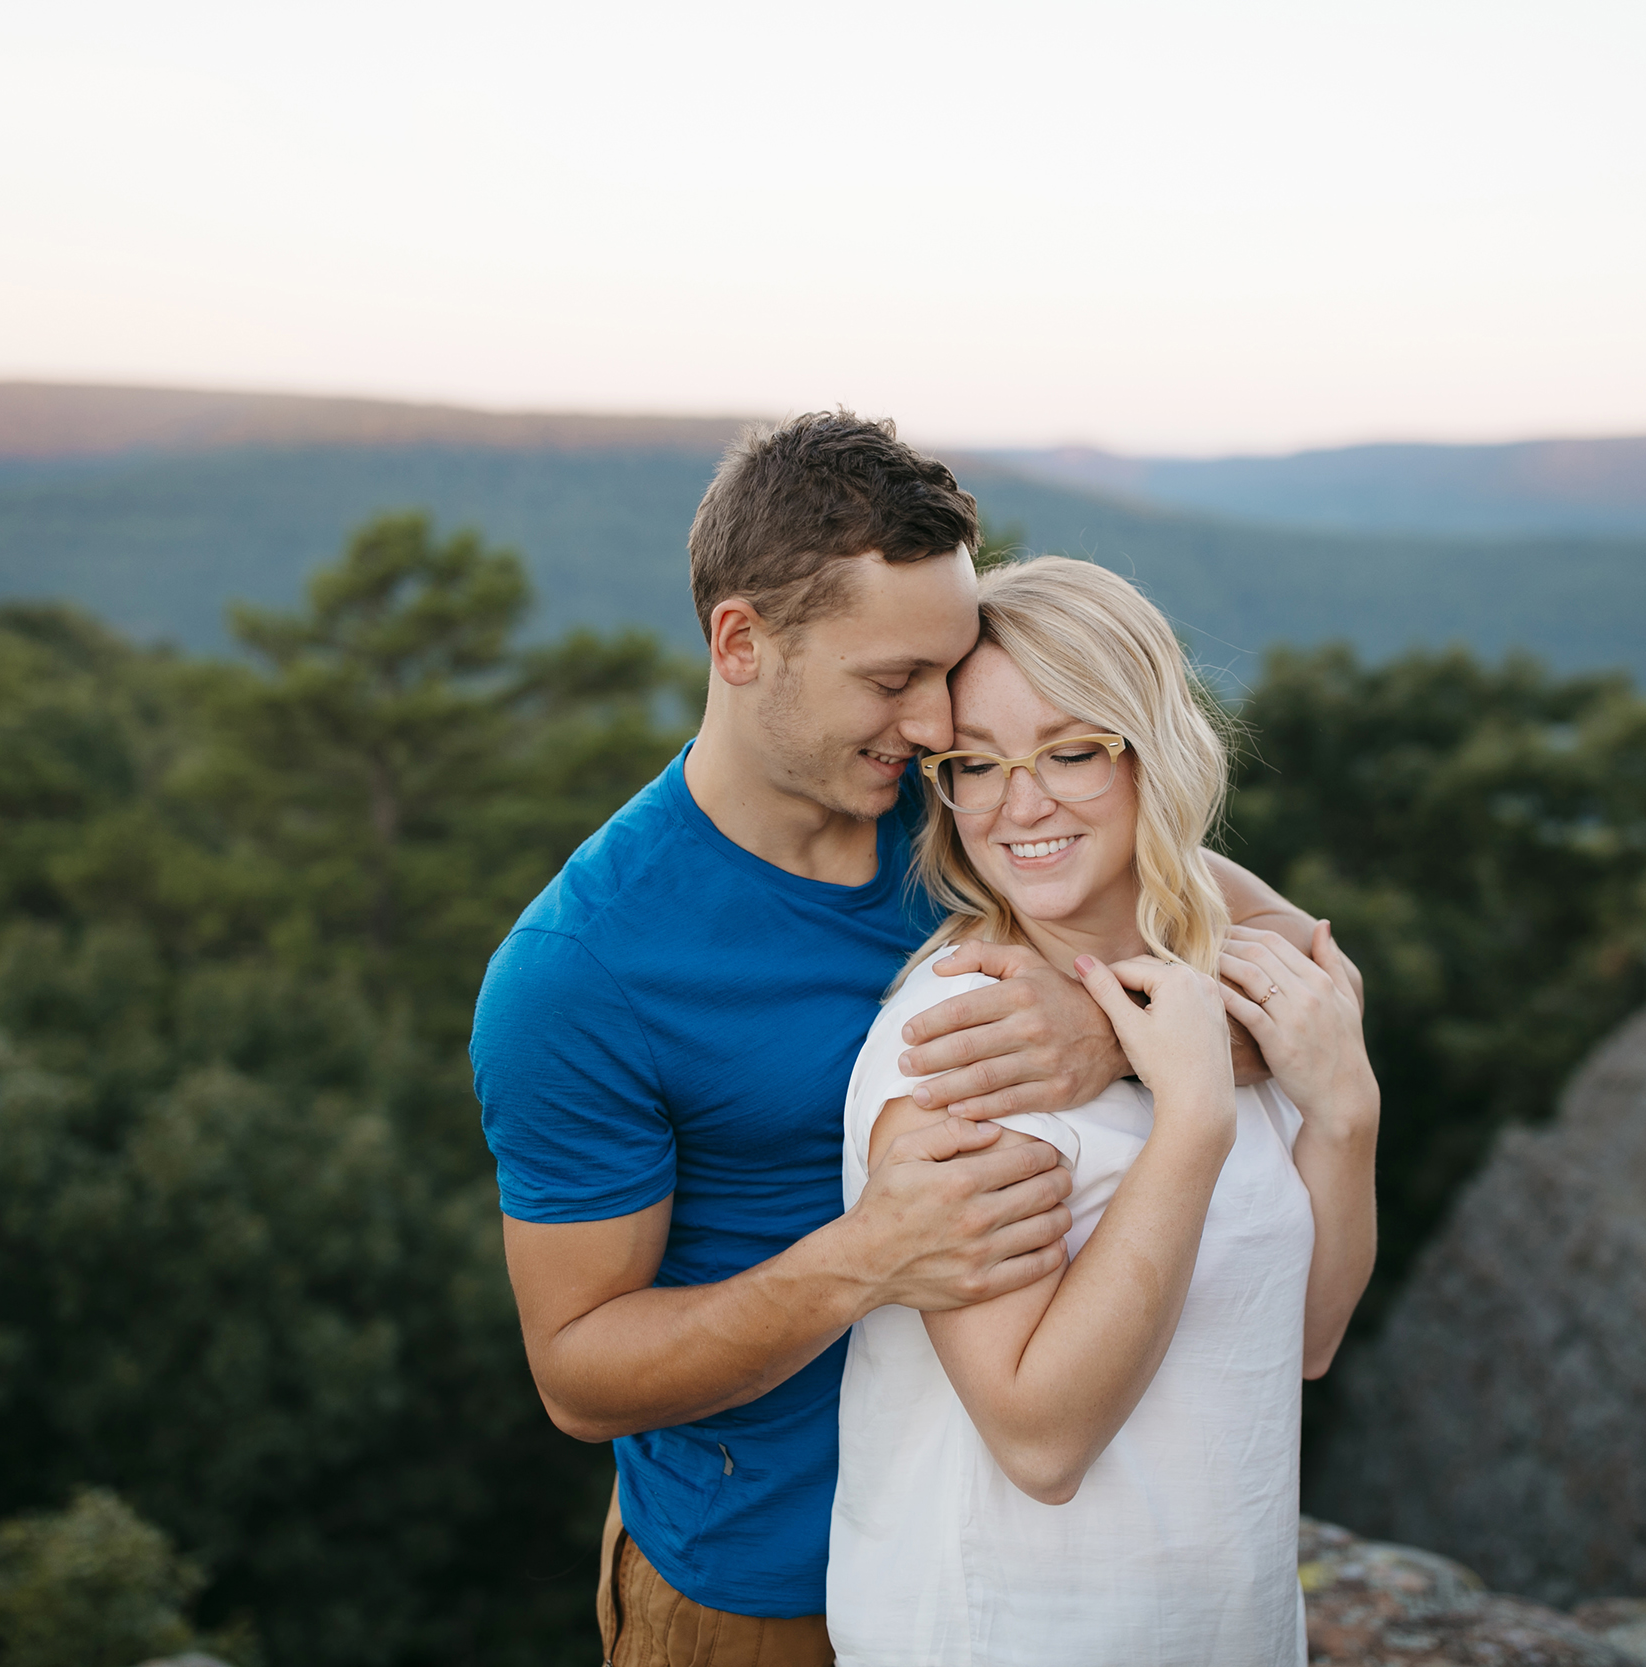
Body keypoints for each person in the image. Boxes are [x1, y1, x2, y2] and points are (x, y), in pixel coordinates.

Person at [468, 414, 1322, 1665]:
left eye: (947, 670)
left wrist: (1107, 1034)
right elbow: (579, 1374)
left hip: (1036, 1567)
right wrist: (866, 1258)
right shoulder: (581, 972)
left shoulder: (973, 817)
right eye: (890, 681)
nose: (936, 725)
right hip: (757, 1587)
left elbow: (1306, 972)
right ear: (741, 641)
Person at [828, 557, 1381, 1666]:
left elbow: (1306, 1337)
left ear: (1154, 752)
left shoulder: (1212, 979)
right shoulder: (962, 1044)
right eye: (973, 764)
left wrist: (1345, 1113)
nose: (1016, 802)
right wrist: (1187, 1120)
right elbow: (1039, 1438)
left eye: (1072, 749)